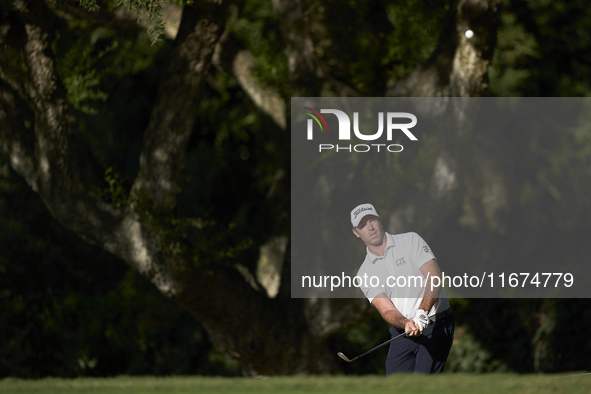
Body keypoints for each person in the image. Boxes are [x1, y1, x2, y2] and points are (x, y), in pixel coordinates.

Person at [351, 203, 454, 374]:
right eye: (362, 225)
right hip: (403, 332)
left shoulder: (410, 240)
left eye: (372, 220)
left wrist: (422, 311)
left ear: (380, 221)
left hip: (436, 324)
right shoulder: (364, 273)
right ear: (356, 233)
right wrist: (406, 322)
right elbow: (386, 310)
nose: (370, 227)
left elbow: (434, 278)